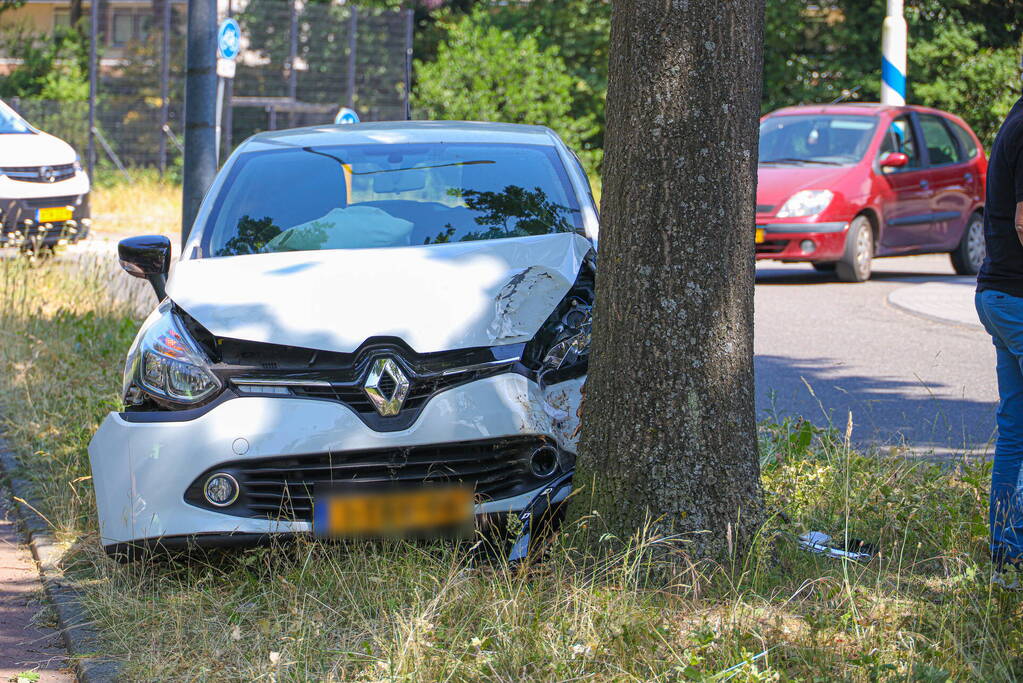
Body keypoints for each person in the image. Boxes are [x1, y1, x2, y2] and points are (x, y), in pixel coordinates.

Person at [974, 57, 1023, 586]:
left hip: (999, 294)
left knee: (1015, 433)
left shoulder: (1016, 116)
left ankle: (1008, 551)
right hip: (1016, 296)